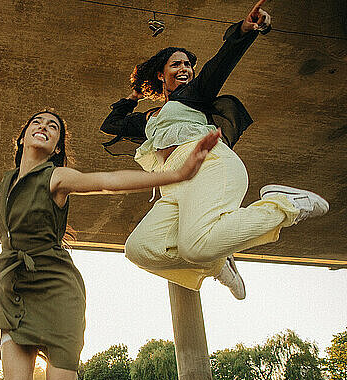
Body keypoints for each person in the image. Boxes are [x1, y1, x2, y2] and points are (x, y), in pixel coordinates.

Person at [0, 110, 220, 380]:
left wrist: (175, 174)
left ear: (57, 147)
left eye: (53, 127)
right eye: (36, 122)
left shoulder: (57, 177)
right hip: (12, 290)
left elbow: (106, 181)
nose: (43, 127)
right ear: (22, 138)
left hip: (57, 291)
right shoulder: (7, 181)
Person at [100, 0, 328, 300]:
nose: (186, 69)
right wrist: (133, 95)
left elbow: (220, 64)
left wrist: (245, 30)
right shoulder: (148, 120)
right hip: (172, 183)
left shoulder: (193, 96)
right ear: (160, 73)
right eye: (176, 64)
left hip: (210, 165)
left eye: (188, 64)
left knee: (195, 246)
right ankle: (220, 265)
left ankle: (286, 205)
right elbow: (111, 124)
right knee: (140, 249)